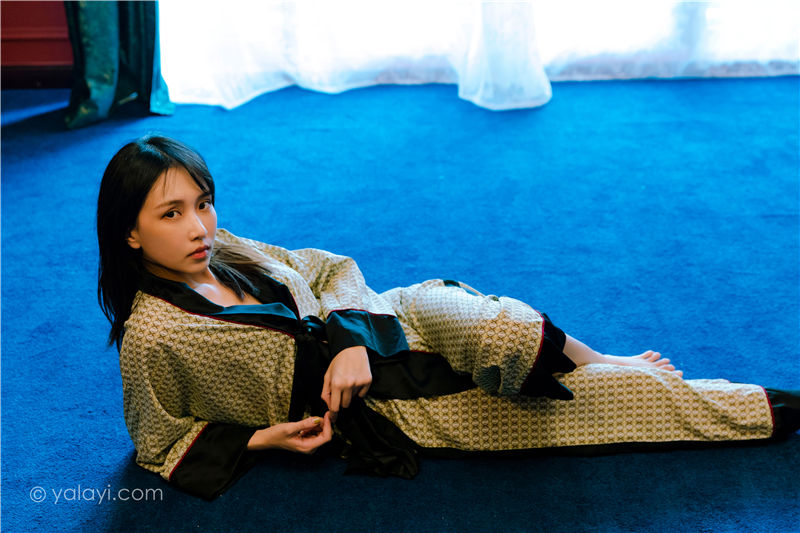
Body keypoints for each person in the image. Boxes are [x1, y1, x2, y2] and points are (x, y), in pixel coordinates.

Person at [98, 135, 799, 501]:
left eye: (203, 202)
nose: (200, 225)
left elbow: (331, 267)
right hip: (388, 405)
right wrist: (266, 438)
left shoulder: (226, 245)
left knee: (509, 331)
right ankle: (765, 406)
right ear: (130, 232)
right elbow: (157, 441)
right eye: (172, 213)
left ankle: (604, 355)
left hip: (391, 315)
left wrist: (349, 340)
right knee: (611, 404)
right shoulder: (153, 335)